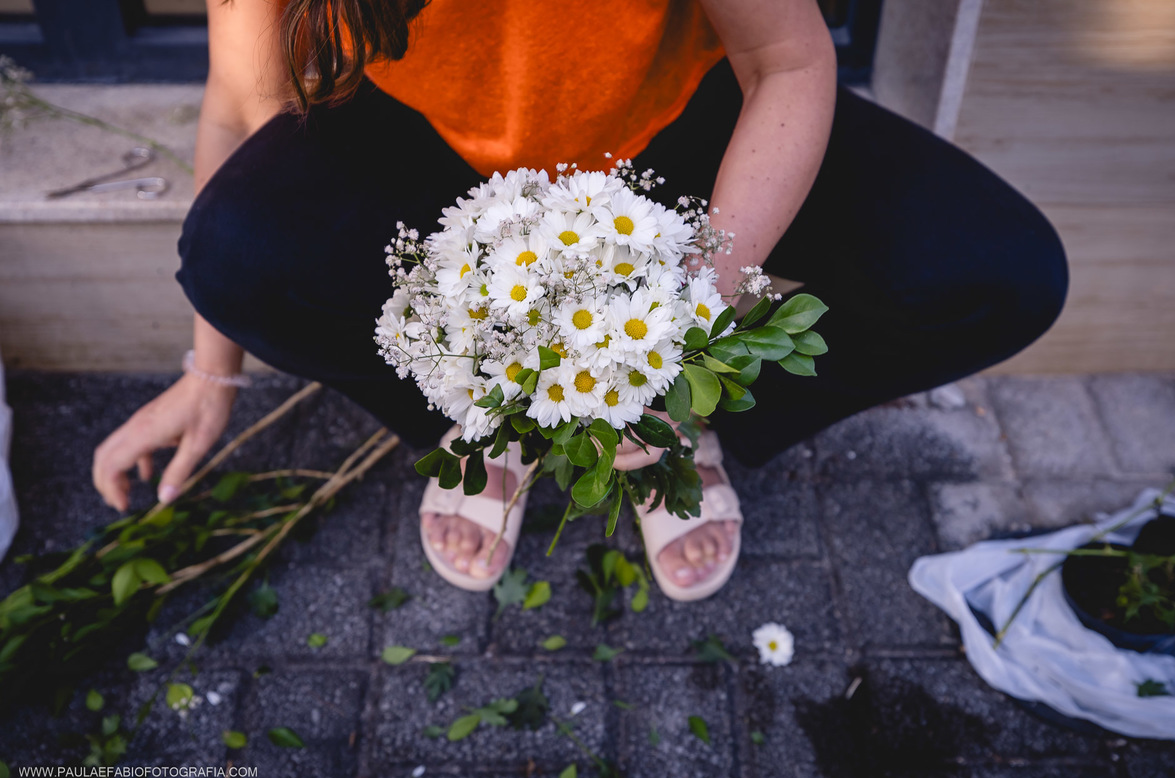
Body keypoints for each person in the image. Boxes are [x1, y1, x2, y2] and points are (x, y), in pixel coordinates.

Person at [92, 0, 1068, 600]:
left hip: (678, 126)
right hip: (431, 151)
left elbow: (791, 61)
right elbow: (242, 105)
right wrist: (211, 373)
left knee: (996, 274)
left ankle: (671, 417)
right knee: (232, 254)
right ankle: (492, 409)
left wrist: (682, 331)